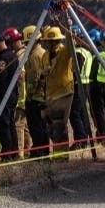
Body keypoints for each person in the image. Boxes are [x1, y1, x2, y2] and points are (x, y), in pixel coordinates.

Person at [39, 26, 74, 158]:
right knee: (51, 127)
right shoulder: (45, 56)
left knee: (59, 126)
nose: (51, 44)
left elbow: (71, 46)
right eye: (48, 41)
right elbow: (41, 76)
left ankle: (61, 157)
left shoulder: (64, 52)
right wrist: (42, 74)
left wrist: (68, 30)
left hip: (63, 93)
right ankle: (59, 153)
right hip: (50, 95)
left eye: (54, 41)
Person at [22, 24, 50, 157]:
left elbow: (33, 78)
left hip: (35, 98)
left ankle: (39, 152)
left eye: (27, 42)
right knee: (43, 127)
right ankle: (43, 150)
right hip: (45, 96)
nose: (26, 45)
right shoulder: (44, 52)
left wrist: (29, 95)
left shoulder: (33, 56)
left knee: (36, 127)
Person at [2, 27, 30, 158]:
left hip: (22, 95)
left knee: (18, 125)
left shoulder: (19, 55)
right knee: (25, 126)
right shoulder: (26, 52)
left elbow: (21, 76)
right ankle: (29, 150)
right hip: (28, 95)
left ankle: (19, 154)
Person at [67, 24, 92, 150]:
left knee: (74, 113)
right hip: (85, 84)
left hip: (78, 85)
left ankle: (80, 140)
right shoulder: (86, 51)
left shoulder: (78, 53)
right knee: (81, 112)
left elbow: (75, 71)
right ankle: (84, 138)